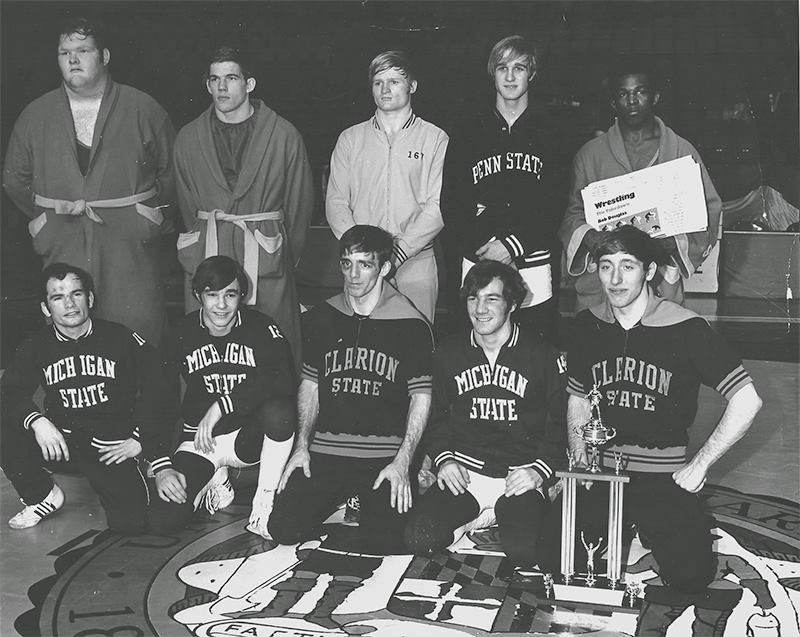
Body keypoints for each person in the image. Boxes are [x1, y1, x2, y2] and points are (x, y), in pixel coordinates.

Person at [540, 226, 762, 592]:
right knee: (552, 556)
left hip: (662, 473)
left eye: (628, 266)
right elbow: (579, 397)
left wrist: (700, 464)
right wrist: (579, 462)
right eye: (606, 265)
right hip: (603, 469)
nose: (615, 278)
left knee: (690, 576)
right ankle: (626, 525)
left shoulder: (686, 327)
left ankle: (641, 526)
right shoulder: (587, 325)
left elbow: (747, 399)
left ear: (650, 271)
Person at [3, 16, 176, 346]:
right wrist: (45, 217)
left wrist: (148, 219)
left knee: (138, 327)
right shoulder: (36, 114)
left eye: (82, 50)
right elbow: (14, 178)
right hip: (63, 236)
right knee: (69, 334)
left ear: (105, 56)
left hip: (128, 243)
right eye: (64, 52)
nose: (72, 59)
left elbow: (171, 173)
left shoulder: (142, 108)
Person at [268, 225, 434, 554]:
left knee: (384, 542)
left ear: (384, 268)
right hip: (328, 451)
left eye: (365, 264)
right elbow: (310, 387)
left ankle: (408, 483)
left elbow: (421, 398)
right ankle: (344, 498)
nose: (353, 275)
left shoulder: (411, 325)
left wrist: (403, 462)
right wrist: (301, 448)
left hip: (382, 456)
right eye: (347, 263)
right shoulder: (322, 317)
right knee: (283, 529)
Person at [404, 261, 567, 568]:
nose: (480, 309)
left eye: (491, 298)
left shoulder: (541, 354)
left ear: (513, 304)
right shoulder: (449, 352)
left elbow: (558, 423)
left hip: (518, 475)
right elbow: (436, 418)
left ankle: (498, 513)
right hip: (466, 472)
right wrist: (445, 459)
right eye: (473, 298)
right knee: (418, 538)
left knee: (526, 552)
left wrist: (538, 471)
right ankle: (477, 517)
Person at [0, 263, 177, 533]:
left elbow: (161, 386)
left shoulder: (119, 337)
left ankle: (141, 466)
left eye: (77, 294)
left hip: (110, 445)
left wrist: (141, 438)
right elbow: (9, 391)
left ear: (90, 299)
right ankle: (41, 495)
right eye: (58, 298)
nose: (69, 304)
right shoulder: (36, 344)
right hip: (61, 440)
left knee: (132, 524)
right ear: (46, 308)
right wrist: (37, 421)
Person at [174, 44, 314, 371]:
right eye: (215, 79)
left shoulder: (284, 135)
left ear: (249, 84)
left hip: (264, 253)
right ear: (207, 85)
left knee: (271, 347)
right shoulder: (188, 137)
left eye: (231, 78)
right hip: (211, 247)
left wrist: (276, 250)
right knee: (207, 351)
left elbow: (298, 206)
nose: (222, 87)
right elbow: (188, 206)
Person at [148, 256, 296, 536]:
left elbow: (283, 380)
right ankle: (215, 478)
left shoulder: (261, 327)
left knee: (280, 411)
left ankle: (265, 500)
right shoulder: (181, 333)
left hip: (246, 437)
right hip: (200, 441)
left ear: (243, 294)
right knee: (163, 519)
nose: (222, 305)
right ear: (197, 296)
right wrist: (161, 465)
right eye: (212, 295)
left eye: (230, 294)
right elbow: (157, 399)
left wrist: (223, 405)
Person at [559, 63, 722, 311]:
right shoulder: (590, 154)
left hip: (661, 284)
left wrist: (670, 245)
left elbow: (708, 212)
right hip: (602, 288)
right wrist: (592, 239)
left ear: (655, 97)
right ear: (613, 102)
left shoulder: (682, 152)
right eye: (623, 94)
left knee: (659, 346)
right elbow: (571, 215)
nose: (632, 100)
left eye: (640, 92)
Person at [441, 35, 567, 344]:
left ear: (531, 73)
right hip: (480, 257)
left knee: (534, 354)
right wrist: (485, 245)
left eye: (519, 68)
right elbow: (453, 202)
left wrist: (512, 245)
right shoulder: (468, 128)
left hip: (533, 262)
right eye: (502, 68)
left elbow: (555, 203)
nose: (510, 77)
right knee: (477, 353)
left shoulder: (553, 130)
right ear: (492, 73)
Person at [326, 51, 448, 322]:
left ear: (412, 86)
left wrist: (399, 251)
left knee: (415, 346)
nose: (385, 89)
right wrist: (360, 252)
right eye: (378, 82)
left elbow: (439, 205)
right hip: (364, 265)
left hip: (415, 262)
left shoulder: (435, 138)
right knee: (362, 348)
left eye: (394, 81)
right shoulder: (350, 139)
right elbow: (335, 201)